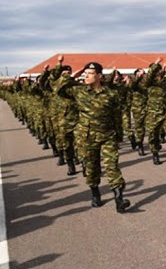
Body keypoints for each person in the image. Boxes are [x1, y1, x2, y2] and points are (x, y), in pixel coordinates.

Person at [55, 62, 130, 213]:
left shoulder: (111, 94)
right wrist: (73, 75)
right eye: (85, 73)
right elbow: (59, 90)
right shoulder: (79, 91)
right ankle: (95, 192)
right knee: (91, 168)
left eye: (90, 73)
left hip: (107, 135)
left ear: (99, 76)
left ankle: (119, 198)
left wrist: (119, 136)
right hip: (87, 137)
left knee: (112, 166)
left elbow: (117, 116)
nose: (86, 76)